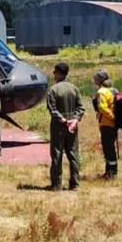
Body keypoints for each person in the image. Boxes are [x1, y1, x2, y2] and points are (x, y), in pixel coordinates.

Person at [45, 62, 84, 191]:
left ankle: (56, 184)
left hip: (58, 127)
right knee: (73, 155)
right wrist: (74, 121)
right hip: (72, 127)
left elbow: (52, 109)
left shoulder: (53, 90)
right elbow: (81, 107)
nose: (53, 74)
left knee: (57, 155)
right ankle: (74, 184)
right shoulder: (74, 88)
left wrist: (63, 120)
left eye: (55, 72)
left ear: (59, 73)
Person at [92, 68, 118, 179]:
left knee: (108, 148)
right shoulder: (113, 90)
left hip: (107, 124)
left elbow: (102, 107)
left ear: (99, 79)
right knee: (109, 147)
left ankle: (112, 174)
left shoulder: (101, 92)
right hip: (114, 124)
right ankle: (109, 172)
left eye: (95, 77)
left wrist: (111, 117)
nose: (93, 79)